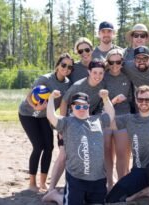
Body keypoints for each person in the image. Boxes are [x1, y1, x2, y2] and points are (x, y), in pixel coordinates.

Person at [42, 59, 106, 204]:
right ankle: (51, 190)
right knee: (64, 155)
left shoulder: (101, 85)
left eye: (100, 73)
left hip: (86, 122)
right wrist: (62, 128)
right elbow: (65, 101)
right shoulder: (79, 85)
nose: (97, 75)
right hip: (71, 123)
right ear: (89, 72)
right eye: (94, 72)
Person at [46, 90, 115, 205]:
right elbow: (51, 116)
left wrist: (105, 98)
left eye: (84, 106)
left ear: (88, 106)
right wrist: (51, 98)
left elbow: (110, 114)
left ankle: (57, 195)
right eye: (77, 106)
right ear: (71, 107)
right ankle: (56, 196)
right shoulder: (66, 122)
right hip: (76, 178)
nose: (81, 108)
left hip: (98, 178)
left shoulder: (98, 120)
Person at [18, 53, 73, 192]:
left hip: (45, 116)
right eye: (63, 65)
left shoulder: (68, 84)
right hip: (29, 113)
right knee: (38, 146)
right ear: (57, 66)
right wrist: (35, 107)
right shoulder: (45, 79)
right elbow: (29, 95)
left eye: (69, 66)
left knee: (49, 147)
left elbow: (64, 104)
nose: (66, 68)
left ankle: (43, 183)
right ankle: (32, 183)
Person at [103, 48, 133, 190]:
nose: (115, 65)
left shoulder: (128, 77)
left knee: (123, 152)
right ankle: (109, 183)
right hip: (106, 118)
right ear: (107, 62)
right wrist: (113, 101)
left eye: (118, 62)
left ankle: (122, 184)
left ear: (122, 62)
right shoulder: (102, 77)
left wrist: (126, 98)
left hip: (123, 117)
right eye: (111, 62)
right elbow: (98, 100)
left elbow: (133, 97)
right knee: (107, 151)